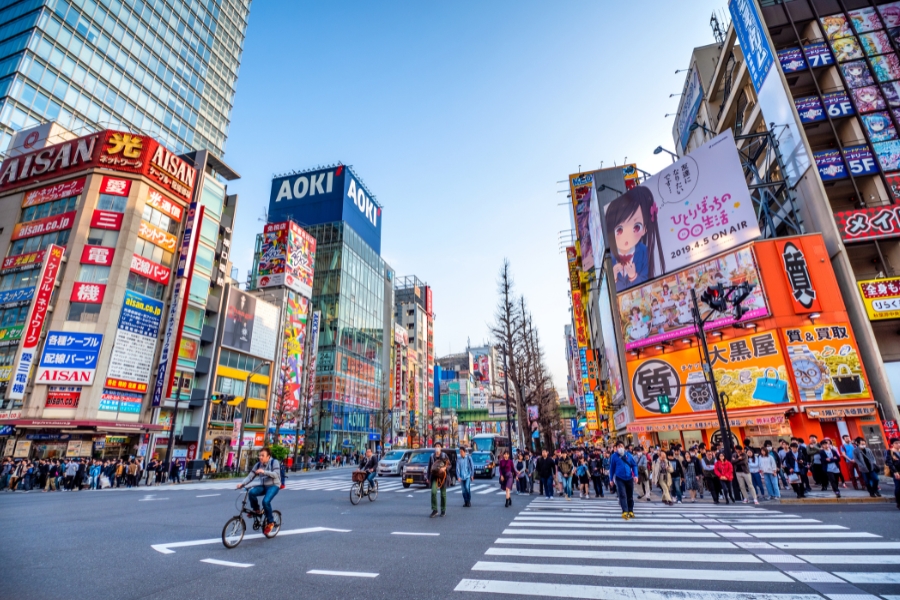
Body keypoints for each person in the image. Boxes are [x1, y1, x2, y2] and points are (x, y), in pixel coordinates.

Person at [237, 447, 281, 535]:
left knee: (266, 501)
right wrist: (242, 484)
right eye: (259, 455)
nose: (260, 457)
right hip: (263, 486)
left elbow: (276, 474)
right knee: (251, 492)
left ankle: (270, 522)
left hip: (273, 486)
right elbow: (250, 476)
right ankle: (256, 510)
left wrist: (264, 472)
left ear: (268, 456)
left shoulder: (274, 462)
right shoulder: (258, 465)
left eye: (262, 455)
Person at [609, 442, 638, 520]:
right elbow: (612, 468)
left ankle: (630, 510)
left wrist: (636, 475)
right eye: (618, 446)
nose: (620, 447)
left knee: (630, 495)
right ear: (616, 448)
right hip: (619, 478)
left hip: (629, 478)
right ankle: (625, 511)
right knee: (622, 494)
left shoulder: (629, 455)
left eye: (621, 446)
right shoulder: (614, 456)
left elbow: (634, 465)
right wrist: (611, 479)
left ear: (624, 447)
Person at [425, 443, 451, 518]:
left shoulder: (444, 455)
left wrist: (444, 468)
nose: (437, 448)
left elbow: (449, 465)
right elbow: (429, 467)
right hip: (434, 476)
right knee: (433, 492)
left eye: (439, 446)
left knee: (443, 494)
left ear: (441, 448)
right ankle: (434, 510)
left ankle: (443, 510)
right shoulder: (432, 457)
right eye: (436, 446)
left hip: (443, 476)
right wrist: (428, 477)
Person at [886, 438, 900, 510]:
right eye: (896, 443)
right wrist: (895, 472)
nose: (898, 444)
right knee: (898, 488)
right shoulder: (890, 452)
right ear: (892, 444)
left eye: (899, 443)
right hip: (897, 472)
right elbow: (889, 463)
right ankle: (898, 502)